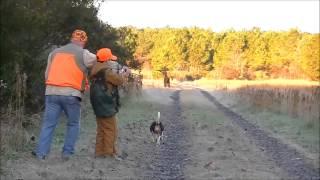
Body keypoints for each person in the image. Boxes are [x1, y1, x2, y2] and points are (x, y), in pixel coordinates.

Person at [33, 29, 96, 160]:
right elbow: (98, 61)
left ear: (71, 38)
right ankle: (67, 153)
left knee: (48, 124)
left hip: (51, 92)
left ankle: (41, 154)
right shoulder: (84, 53)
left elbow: (47, 75)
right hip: (72, 93)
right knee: (73, 124)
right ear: (83, 41)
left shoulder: (54, 53)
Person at [89, 48, 124, 160]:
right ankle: (109, 154)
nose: (110, 61)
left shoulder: (95, 70)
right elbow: (120, 81)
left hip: (98, 105)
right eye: (110, 59)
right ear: (106, 60)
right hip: (106, 105)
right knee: (111, 129)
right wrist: (124, 74)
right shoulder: (107, 72)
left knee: (101, 130)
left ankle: (99, 152)